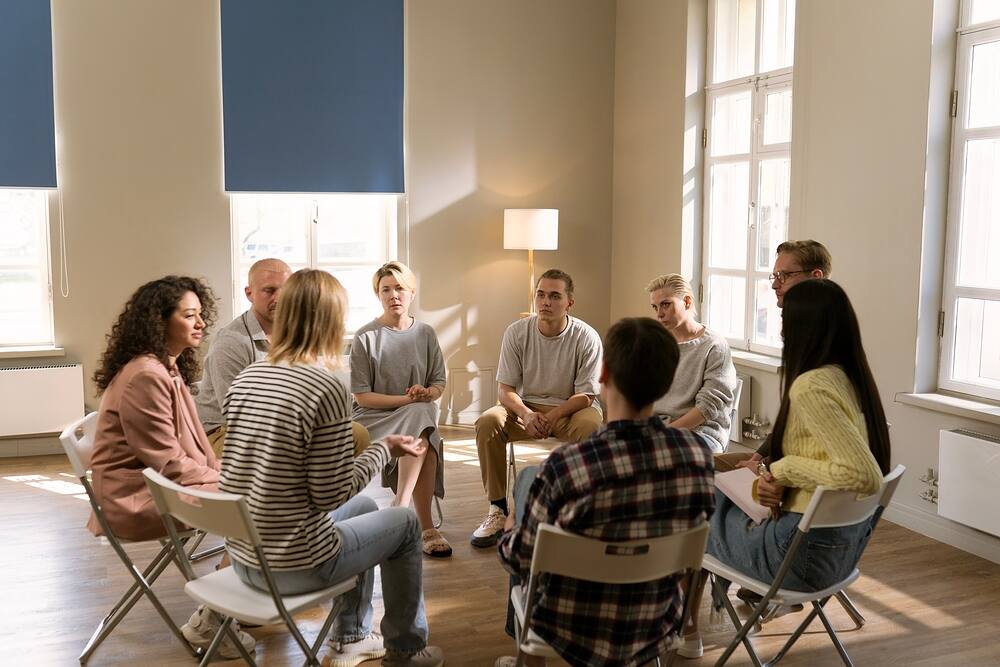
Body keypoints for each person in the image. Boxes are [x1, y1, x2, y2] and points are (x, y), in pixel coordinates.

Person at [220, 269, 444, 667]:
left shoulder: (248, 378)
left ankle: (352, 636)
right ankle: (407, 650)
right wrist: (383, 449)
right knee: (404, 524)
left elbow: (239, 477)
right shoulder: (324, 388)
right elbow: (331, 494)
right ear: (328, 322)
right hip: (296, 566)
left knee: (366, 511)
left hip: (245, 560)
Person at [682, 279, 891, 659]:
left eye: (784, 316)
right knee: (710, 489)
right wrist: (773, 473)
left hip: (796, 560)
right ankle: (686, 623)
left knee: (693, 499)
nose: (780, 327)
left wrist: (784, 470)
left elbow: (863, 473)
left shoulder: (810, 386)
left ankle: (681, 625)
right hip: (838, 559)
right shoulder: (848, 379)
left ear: (804, 325)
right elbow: (840, 464)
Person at [494, 317, 716, 667]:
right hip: (655, 622)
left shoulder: (567, 466)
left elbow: (519, 559)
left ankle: (523, 654)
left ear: (604, 374)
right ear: (668, 381)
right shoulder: (697, 456)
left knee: (525, 489)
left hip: (569, 627)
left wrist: (510, 528)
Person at [88, 275, 254, 658]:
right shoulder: (147, 375)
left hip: (154, 487)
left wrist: (228, 473)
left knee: (259, 498)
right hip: (136, 500)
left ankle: (229, 605)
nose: (200, 324)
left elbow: (187, 456)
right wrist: (231, 481)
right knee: (259, 507)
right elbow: (170, 464)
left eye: (200, 315)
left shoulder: (165, 367)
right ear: (159, 321)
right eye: (189, 316)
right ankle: (217, 615)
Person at [472, 269, 603, 548]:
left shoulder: (586, 337)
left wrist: (552, 416)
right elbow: (505, 390)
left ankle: (581, 509)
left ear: (570, 302)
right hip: (525, 407)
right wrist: (527, 414)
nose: (545, 302)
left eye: (555, 296)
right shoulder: (517, 332)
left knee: (592, 426)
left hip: (570, 409)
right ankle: (497, 508)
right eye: (540, 295)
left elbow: (586, 395)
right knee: (487, 422)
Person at [194, 257, 370, 458]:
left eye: (285, 291)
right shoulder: (232, 342)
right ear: (249, 293)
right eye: (269, 290)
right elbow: (239, 415)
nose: (278, 298)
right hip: (226, 433)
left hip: (277, 422)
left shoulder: (295, 333)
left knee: (356, 434)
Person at [351, 261, 450, 558]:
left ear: (412, 293)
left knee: (423, 421)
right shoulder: (365, 336)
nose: (393, 295)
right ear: (378, 295)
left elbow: (438, 383)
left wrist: (427, 392)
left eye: (399, 288)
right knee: (424, 427)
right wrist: (410, 400)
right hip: (373, 418)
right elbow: (362, 398)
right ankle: (423, 525)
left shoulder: (426, 334)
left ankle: (401, 511)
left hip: (414, 414)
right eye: (386, 289)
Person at [647, 273, 737, 453]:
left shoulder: (714, 346)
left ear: (687, 302)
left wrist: (663, 435)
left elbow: (707, 408)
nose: (659, 314)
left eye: (666, 304)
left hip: (702, 433)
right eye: (655, 307)